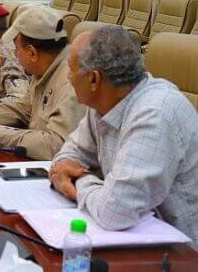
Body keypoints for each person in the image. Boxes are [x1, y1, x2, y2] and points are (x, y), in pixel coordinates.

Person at [51, 25, 198, 246]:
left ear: (94, 79)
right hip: (136, 238)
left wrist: (79, 180)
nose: (68, 77)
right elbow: (69, 154)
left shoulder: (155, 114)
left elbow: (114, 212)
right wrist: (63, 167)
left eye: (71, 70)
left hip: (182, 252)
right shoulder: (103, 103)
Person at [0, 5, 86, 160]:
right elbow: (23, 109)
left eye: (16, 48)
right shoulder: (42, 69)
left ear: (32, 53)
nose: (14, 54)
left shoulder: (72, 81)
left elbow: (57, 145)